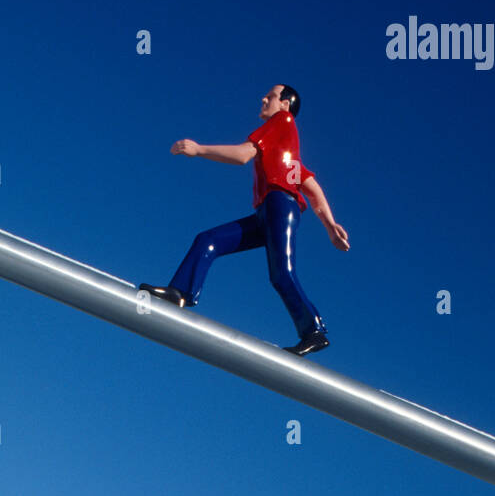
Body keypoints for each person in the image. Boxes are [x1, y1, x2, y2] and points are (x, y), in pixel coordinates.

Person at [139, 83, 349, 356]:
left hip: (279, 205)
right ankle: (180, 292)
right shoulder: (288, 147)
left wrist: (199, 149)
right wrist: (330, 225)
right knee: (209, 240)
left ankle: (314, 330)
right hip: (267, 212)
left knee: (282, 273)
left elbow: (243, 155)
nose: (264, 99)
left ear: (285, 105)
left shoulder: (281, 120)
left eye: (271, 97)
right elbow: (311, 185)